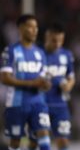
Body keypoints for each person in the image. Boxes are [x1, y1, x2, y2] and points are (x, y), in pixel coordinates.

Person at [0, 14, 52, 150]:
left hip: (38, 102)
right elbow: (4, 77)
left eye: (36, 27)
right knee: (15, 142)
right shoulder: (11, 51)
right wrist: (31, 83)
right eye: (30, 27)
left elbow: (44, 78)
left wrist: (46, 84)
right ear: (21, 28)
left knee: (43, 136)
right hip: (17, 103)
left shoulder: (40, 53)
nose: (34, 30)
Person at [28, 22, 76, 150]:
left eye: (60, 41)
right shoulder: (37, 54)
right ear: (47, 37)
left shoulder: (67, 55)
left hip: (61, 106)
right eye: (54, 41)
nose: (58, 44)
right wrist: (41, 83)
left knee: (64, 143)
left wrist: (68, 86)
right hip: (40, 104)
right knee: (38, 143)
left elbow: (71, 77)